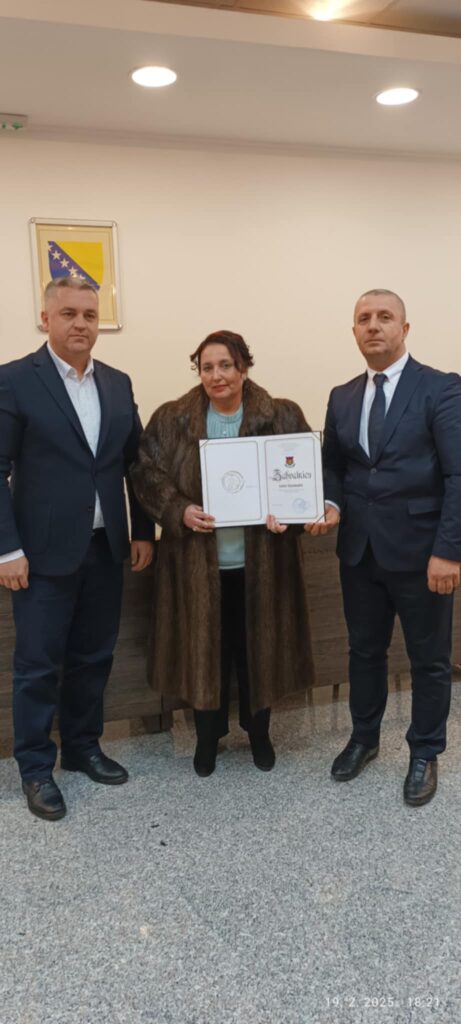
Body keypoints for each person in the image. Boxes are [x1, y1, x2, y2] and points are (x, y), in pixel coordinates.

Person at [0, 277, 154, 821]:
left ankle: (84, 747)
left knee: (93, 656)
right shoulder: (14, 380)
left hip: (105, 547)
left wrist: (142, 530)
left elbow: (135, 464)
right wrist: (6, 550)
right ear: (46, 319)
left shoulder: (116, 382)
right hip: (40, 555)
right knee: (38, 665)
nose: (80, 324)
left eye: (89, 314)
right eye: (68, 313)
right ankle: (35, 768)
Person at [131, 330, 313, 777]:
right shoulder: (171, 419)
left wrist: (289, 515)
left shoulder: (282, 415)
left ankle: (260, 733)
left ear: (244, 368)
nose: (217, 376)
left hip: (263, 565)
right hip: (196, 567)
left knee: (259, 655)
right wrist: (178, 509)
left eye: (226, 365)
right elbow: (145, 474)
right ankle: (207, 737)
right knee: (205, 656)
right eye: (207, 367)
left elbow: (304, 478)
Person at [308, 289, 461, 806]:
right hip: (359, 551)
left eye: (384, 317)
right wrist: (331, 503)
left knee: (429, 658)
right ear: (354, 331)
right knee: (364, 651)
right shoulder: (342, 396)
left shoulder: (441, 388)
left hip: (423, 554)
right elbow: (334, 465)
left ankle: (425, 752)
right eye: (363, 318)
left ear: (405, 328)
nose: (373, 325)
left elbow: (458, 474)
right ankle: (364, 738)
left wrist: (450, 551)